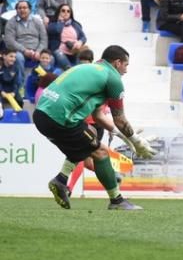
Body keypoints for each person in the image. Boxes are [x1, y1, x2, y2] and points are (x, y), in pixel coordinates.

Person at [33, 45, 150, 210]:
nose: (126, 70)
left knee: (90, 134)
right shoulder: (113, 79)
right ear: (117, 63)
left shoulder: (88, 68)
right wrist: (136, 141)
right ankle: (117, 201)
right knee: (100, 151)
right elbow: (120, 119)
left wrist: (121, 135)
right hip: (60, 119)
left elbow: (98, 116)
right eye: (126, 65)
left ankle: (61, 180)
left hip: (41, 115)